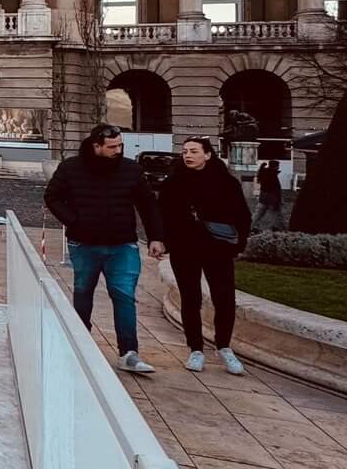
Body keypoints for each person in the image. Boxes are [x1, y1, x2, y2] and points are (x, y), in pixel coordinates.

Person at [45, 124, 166, 373]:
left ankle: (129, 352)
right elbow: (52, 196)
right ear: (96, 145)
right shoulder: (71, 167)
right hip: (84, 243)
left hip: (123, 244)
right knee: (83, 292)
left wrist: (156, 237)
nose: (118, 150)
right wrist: (74, 221)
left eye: (120, 145)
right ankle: (79, 340)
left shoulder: (131, 170)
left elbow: (148, 205)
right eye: (112, 147)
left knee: (124, 296)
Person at [159, 137, 252, 374]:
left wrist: (237, 245)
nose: (188, 155)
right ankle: (195, 349)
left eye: (194, 151)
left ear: (208, 155)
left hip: (217, 249)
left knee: (224, 298)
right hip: (184, 248)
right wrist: (165, 241)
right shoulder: (173, 183)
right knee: (191, 298)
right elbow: (163, 215)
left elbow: (242, 216)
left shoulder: (227, 183)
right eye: (185, 151)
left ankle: (223, 346)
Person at [254, 158, 285, 233]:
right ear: (276, 166)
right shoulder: (273, 175)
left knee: (258, 214)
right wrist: (279, 200)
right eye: (278, 166)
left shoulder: (264, 173)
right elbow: (276, 189)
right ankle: (276, 228)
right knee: (276, 215)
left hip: (263, 197)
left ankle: (252, 226)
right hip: (272, 199)